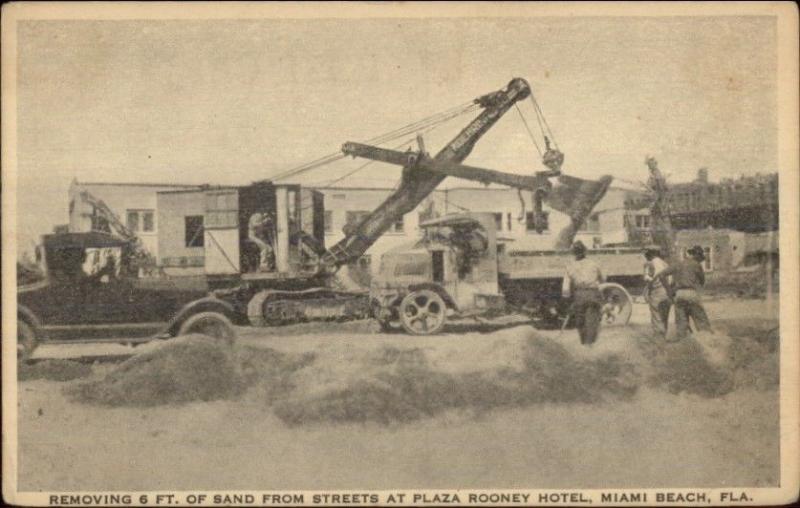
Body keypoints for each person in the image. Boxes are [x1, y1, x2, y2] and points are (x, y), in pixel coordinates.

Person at [661, 245, 712, 340]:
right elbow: (702, 281)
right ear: (696, 255)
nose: (700, 260)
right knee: (702, 323)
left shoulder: (678, 264)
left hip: (679, 294)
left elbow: (661, 275)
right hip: (691, 293)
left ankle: (683, 345)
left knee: (681, 325)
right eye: (700, 258)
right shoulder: (696, 265)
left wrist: (669, 291)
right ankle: (708, 342)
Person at [562, 240, 606, 345]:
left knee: (580, 322)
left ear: (574, 253)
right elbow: (603, 279)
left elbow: (566, 288)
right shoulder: (594, 264)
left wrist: (567, 299)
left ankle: (584, 344)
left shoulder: (569, 266)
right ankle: (590, 345)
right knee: (592, 322)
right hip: (593, 294)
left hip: (579, 295)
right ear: (585, 252)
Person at [643, 247, 672, 337]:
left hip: (656, 292)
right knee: (664, 316)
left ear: (651, 254)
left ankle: (659, 337)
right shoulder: (665, 264)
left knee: (656, 315)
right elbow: (671, 279)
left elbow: (647, 279)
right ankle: (664, 334)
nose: (645, 256)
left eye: (646, 253)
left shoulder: (649, 264)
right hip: (667, 292)